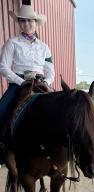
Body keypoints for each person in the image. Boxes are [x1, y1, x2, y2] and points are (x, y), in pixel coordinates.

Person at [0, 2, 55, 165]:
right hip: (19, 83)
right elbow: (3, 67)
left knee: (61, 108)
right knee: (1, 110)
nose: (26, 24)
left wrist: (47, 81)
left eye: (30, 21)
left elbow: (50, 69)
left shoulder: (44, 47)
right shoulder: (12, 43)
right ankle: (3, 149)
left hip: (40, 83)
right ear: (19, 23)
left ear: (36, 23)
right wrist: (21, 81)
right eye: (22, 21)